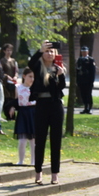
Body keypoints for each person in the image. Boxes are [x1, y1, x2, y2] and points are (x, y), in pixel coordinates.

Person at [29, 41, 66, 185]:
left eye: (52, 51)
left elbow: (61, 87)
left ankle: (54, 174)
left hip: (56, 105)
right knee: (40, 140)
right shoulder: (38, 67)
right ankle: (38, 172)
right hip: (41, 105)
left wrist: (61, 75)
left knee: (56, 141)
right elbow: (31, 62)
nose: (49, 54)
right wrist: (40, 50)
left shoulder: (58, 67)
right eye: (47, 51)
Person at [14, 68, 36, 166]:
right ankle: (21, 160)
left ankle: (34, 161)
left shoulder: (36, 88)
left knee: (33, 140)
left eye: (33, 77)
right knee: (22, 140)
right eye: (30, 76)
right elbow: (15, 100)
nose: (32, 79)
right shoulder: (18, 87)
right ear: (24, 76)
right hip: (23, 113)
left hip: (33, 112)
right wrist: (12, 107)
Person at [0, 43, 19, 120]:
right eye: (7, 50)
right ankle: (8, 115)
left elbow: (16, 71)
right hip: (6, 83)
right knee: (7, 99)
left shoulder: (13, 61)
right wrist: (7, 77)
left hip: (13, 82)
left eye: (10, 50)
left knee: (13, 98)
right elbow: (1, 72)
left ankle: (13, 115)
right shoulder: (2, 61)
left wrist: (15, 77)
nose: (9, 52)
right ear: (4, 51)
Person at [76, 45, 95, 114]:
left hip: (88, 81)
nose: (84, 53)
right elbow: (77, 71)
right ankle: (85, 107)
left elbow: (92, 72)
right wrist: (77, 81)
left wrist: (92, 81)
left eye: (85, 52)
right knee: (83, 94)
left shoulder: (90, 60)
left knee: (88, 94)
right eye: (83, 52)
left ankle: (89, 108)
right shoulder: (79, 60)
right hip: (81, 80)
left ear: (88, 52)